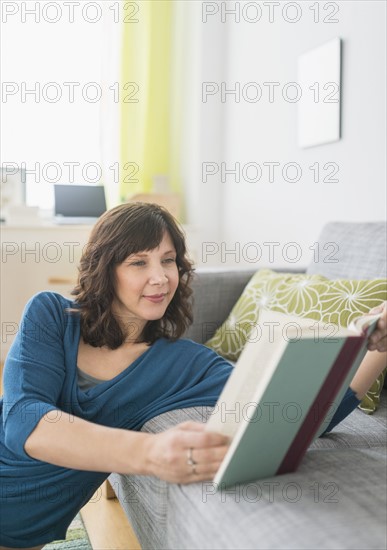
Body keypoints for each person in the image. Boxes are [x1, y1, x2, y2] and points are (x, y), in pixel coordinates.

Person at [0, 202, 386, 549]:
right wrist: (151, 453)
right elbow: (21, 421)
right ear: (106, 270)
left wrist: (373, 346)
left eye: (168, 261)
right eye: (138, 262)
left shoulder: (186, 364)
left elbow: (306, 415)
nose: (160, 277)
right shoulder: (50, 315)